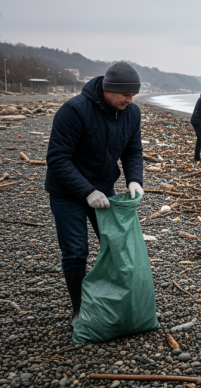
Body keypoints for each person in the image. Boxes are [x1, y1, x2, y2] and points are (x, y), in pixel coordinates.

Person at [45, 61, 145, 326]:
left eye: (133, 94)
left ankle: (114, 299)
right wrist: (86, 191)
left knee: (114, 246)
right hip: (67, 191)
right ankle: (79, 310)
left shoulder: (131, 113)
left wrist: (134, 179)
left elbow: (132, 151)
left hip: (104, 188)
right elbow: (57, 158)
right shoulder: (74, 111)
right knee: (76, 251)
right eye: (125, 94)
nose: (130, 99)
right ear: (108, 89)